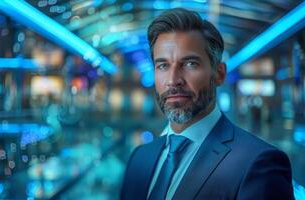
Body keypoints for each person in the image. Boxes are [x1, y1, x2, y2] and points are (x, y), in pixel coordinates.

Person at [120, 8, 294, 200]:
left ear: (219, 74)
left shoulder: (259, 163)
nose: (173, 79)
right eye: (163, 65)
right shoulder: (140, 158)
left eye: (190, 64)